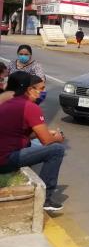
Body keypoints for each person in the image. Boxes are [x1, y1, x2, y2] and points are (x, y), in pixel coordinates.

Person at [0, 72, 66, 212]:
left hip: (5, 153)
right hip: (5, 160)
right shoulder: (30, 107)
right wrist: (57, 137)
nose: (43, 92)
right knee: (56, 150)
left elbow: (19, 134)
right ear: (30, 89)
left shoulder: (10, 103)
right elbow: (46, 141)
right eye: (41, 89)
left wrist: (47, 134)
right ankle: (45, 199)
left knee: (33, 144)